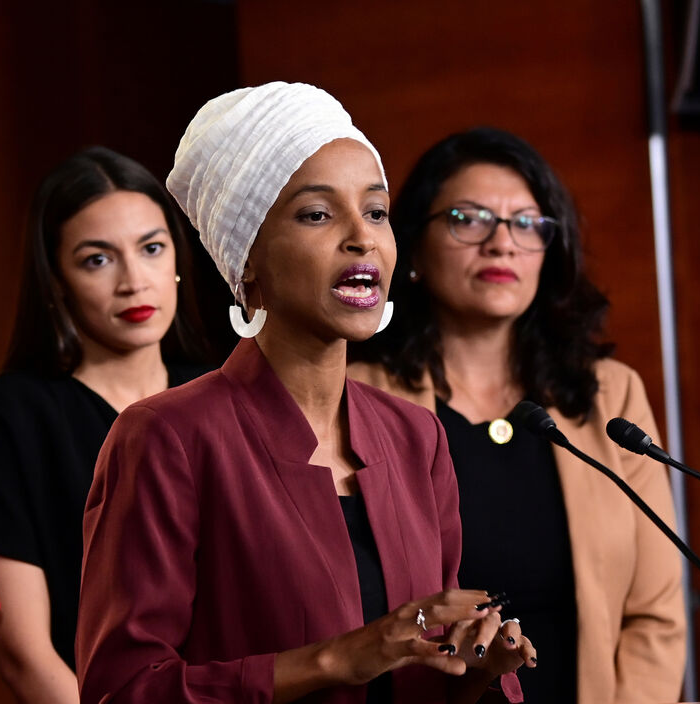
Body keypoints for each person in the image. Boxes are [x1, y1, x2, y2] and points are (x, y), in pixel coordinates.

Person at [76, 82, 537, 704]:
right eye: (318, 214)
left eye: (375, 211)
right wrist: (334, 660)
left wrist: (476, 667)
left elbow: (421, 672)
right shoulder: (165, 437)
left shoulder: (415, 436)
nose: (362, 237)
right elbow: (121, 690)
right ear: (246, 260)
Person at [347, 127, 686, 703]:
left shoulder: (609, 395)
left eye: (527, 224)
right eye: (468, 218)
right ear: (413, 249)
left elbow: (655, 615)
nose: (502, 243)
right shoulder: (355, 398)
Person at [0, 146, 207, 704]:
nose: (134, 281)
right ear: (57, 282)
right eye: (97, 259)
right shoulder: (12, 416)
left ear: (177, 260)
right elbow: (24, 655)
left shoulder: (231, 396)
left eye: (151, 248)